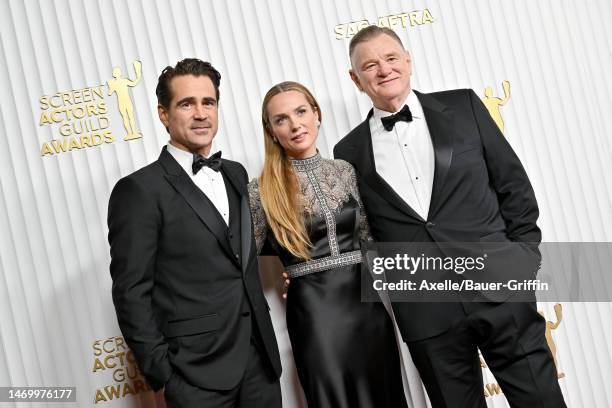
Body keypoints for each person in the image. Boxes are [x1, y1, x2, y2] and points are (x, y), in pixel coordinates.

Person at [334, 26, 567, 408]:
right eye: (370, 65)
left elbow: (514, 187)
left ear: (408, 59)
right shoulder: (348, 151)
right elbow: (364, 234)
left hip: (500, 290)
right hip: (426, 312)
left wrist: (523, 261)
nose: (383, 70)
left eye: (391, 58)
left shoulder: (464, 106)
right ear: (355, 78)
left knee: (541, 401)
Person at [107, 58, 282, 408]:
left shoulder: (235, 172)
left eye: (209, 102)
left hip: (259, 363)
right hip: (194, 375)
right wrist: (163, 373)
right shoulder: (139, 190)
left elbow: (241, 251)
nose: (201, 113)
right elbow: (131, 291)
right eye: (187, 104)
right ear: (163, 113)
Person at [248, 81, 407, 408]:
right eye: (281, 119)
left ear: (316, 114)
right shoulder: (260, 191)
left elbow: (369, 238)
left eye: (301, 111)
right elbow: (245, 260)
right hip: (316, 318)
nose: (294, 125)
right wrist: (292, 271)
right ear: (271, 131)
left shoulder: (346, 170)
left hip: (368, 309)